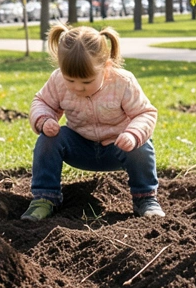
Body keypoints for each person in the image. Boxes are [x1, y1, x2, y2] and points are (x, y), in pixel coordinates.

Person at [22, 24, 162, 221]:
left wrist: (132, 134)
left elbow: (145, 113)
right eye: (70, 80)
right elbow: (42, 102)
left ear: (106, 68)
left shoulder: (123, 82)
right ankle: (45, 197)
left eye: (87, 82)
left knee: (142, 145)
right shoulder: (57, 81)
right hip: (80, 147)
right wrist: (44, 120)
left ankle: (145, 198)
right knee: (49, 138)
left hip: (118, 147)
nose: (78, 87)